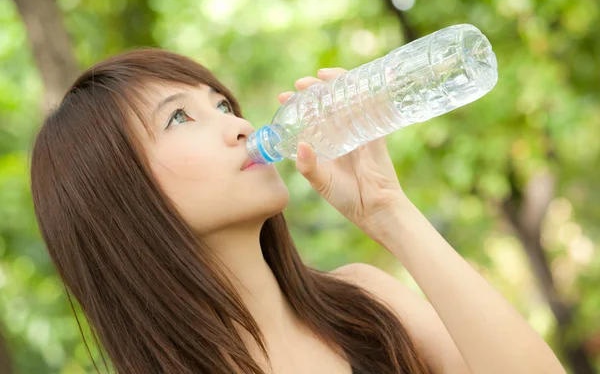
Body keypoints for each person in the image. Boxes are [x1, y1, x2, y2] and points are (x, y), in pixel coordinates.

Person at [29, 48, 565, 374]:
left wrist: (389, 213)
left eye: (220, 103)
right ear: (121, 200)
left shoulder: (364, 306)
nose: (237, 124)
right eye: (179, 119)